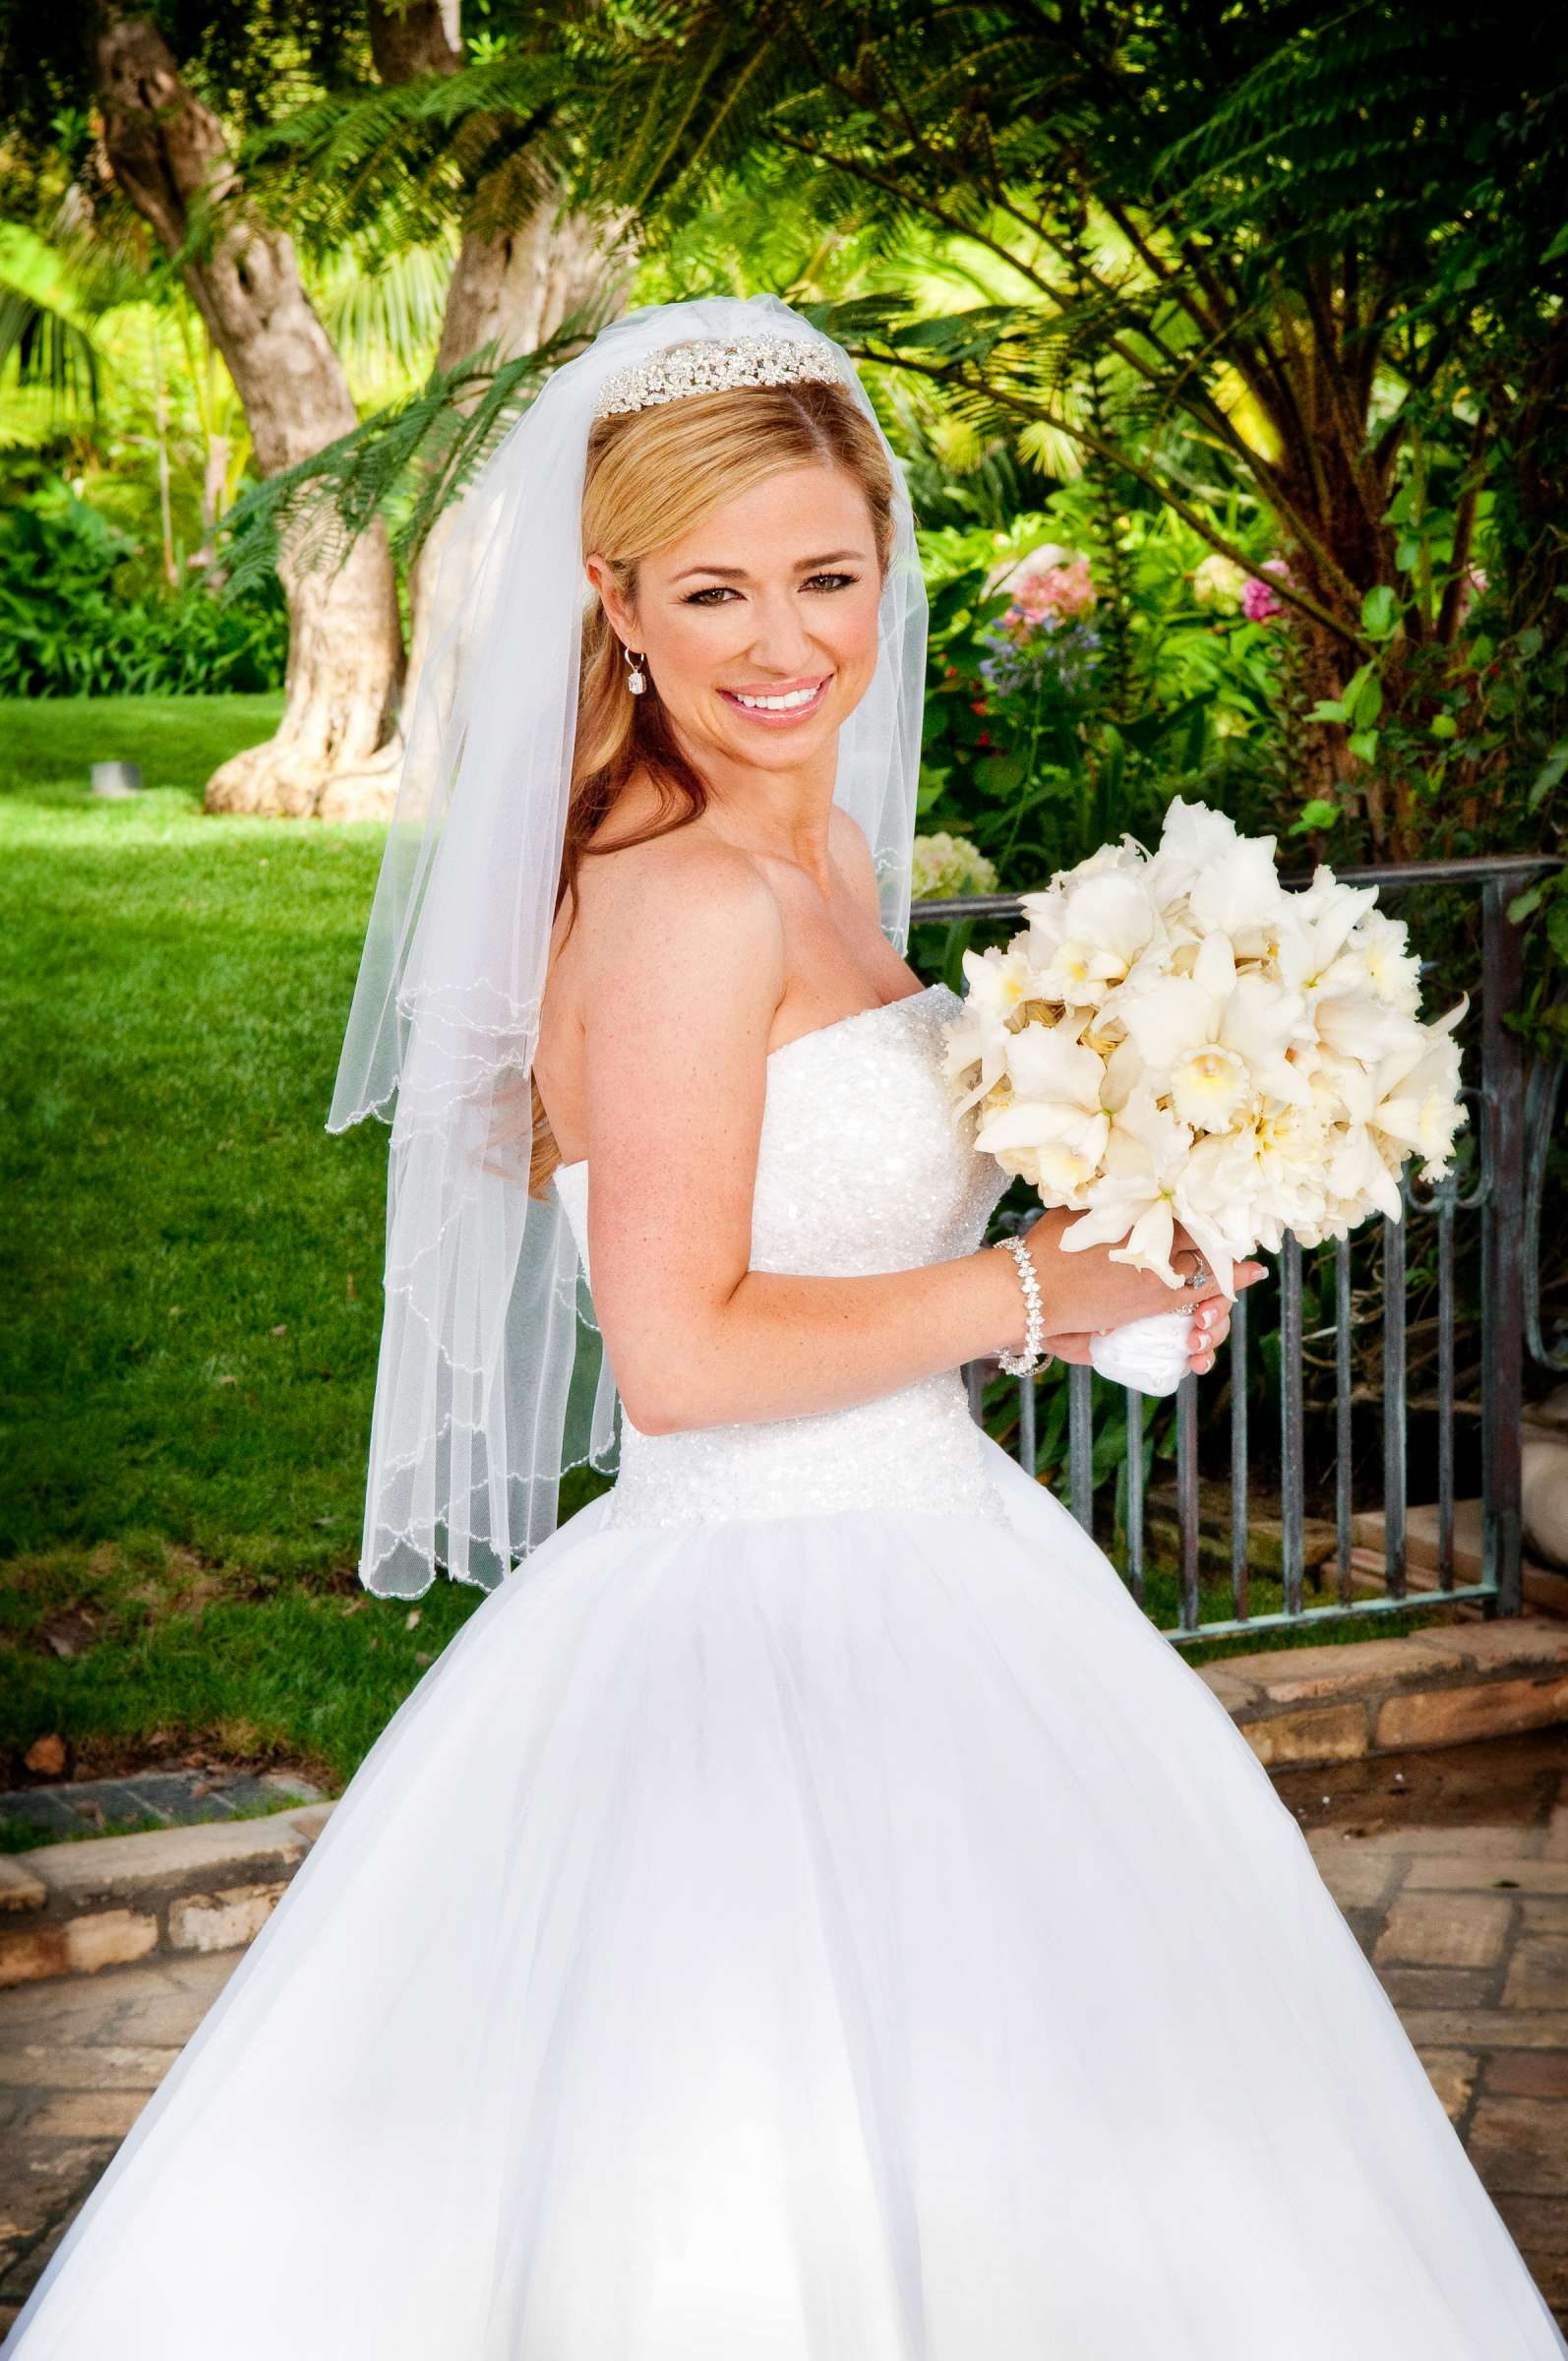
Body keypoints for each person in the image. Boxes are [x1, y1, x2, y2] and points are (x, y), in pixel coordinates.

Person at [6, 296, 1562, 2361]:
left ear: (884, 568)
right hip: (753, 1602)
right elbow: (681, 1355)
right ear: (614, 600)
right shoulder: (674, 899)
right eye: (714, 590)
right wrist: (1026, 1292)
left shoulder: (819, 850)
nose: (782, 643)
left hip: (947, 1558)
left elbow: (825, 1215)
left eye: (826, 577)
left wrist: (1107, 1288)